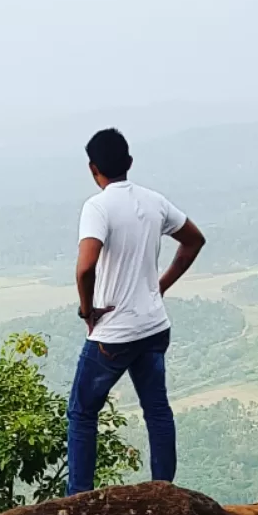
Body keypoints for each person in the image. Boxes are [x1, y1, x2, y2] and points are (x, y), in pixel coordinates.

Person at [67, 127, 205, 495]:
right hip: (154, 326)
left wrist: (87, 311)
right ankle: (164, 490)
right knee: (156, 409)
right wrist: (159, 286)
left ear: (93, 169)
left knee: (81, 414)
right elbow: (194, 240)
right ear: (129, 162)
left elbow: (85, 267)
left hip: (113, 333)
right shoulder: (154, 201)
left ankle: (78, 498)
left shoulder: (97, 207)